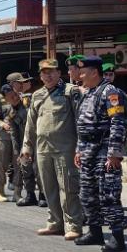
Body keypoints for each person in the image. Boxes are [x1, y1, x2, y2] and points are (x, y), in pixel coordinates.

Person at [21, 59, 84, 239]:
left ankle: (73, 225)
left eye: (51, 72)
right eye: (44, 73)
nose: (47, 76)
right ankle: (55, 222)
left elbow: (80, 120)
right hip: (43, 149)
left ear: (58, 73)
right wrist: (27, 146)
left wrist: (81, 147)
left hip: (65, 148)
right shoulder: (37, 95)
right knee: (48, 188)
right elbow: (30, 123)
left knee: (68, 187)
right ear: (40, 76)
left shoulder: (70, 92)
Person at [72, 57, 127, 252]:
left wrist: (113, 153)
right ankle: (95, 232)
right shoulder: (88, 93)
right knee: (87, 195)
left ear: (94, 72)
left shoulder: (110, 93)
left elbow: (118, 123)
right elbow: (82, 126)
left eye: (83, 72)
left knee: (109, 195)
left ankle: (117, 237)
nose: (80, 75)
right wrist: (79, 150)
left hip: (104, 151)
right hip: (87, 152)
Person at [8, 72, 40, 207]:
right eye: (20, 82)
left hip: (37, 139)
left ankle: (43, 195)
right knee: (25, 167)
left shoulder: (33, 97)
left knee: (39, 168)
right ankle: (30, 194)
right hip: (23, 141)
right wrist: (17, 149)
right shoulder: (13, 102)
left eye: (24, 82)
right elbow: (13, 129)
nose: (23, 85)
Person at [0, 84, 17, 202]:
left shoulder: (18, 97)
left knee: (18, 165)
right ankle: (0, 192)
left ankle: (17, 192)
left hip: (16, 136)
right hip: (3, 137)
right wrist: (2, 124)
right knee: (1, 165)